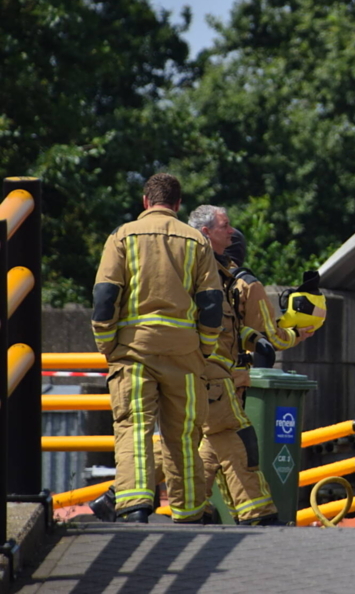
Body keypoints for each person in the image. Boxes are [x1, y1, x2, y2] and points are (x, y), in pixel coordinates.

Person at [91, 173, 222, 523]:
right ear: (177, 204)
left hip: (133, 351)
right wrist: (205, 349)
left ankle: (134, 505)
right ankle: (190, 510)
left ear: (146, 201)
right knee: (184, 434)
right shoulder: (197, 241)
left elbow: (105, 296)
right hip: (184, 353)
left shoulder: (122, 236)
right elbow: (211, 302)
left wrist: (107, 343)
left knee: (134, 428)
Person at [187, 207, 314, 525]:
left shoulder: (203, 277)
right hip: (220, 378)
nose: (230, 231)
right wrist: (297, 334)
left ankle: (200, 508)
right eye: (225, 225)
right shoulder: (235, 282)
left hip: (205, 376)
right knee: (233, 438)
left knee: (212, 445)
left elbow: (236, 331)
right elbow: (269, 335)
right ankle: (257, 514)